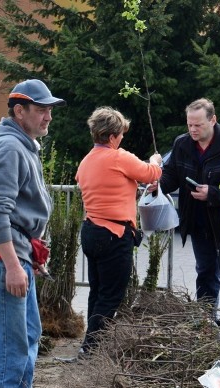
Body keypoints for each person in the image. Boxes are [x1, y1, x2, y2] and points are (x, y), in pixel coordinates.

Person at [0, 79, 65, 388]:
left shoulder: (24, 145)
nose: (48, 116)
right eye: (41, 109)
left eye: (50, 109)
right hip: (2, 261)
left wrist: (30, 254)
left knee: (28, 333)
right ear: (19, 111)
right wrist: (13, 264)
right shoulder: (10, 148)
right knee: (9, 341)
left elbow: (20, 214)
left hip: (16, 255)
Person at [157, 98, 220, 329]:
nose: (192, 129)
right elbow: (172, 175)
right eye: (189, 124)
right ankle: (205, 327)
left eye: (198, 125)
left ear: (213, 120)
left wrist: (213, 193)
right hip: (198, 223)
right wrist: (157, 185)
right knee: (205, 275)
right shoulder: (182, 144)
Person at [76, 107, 162, 353]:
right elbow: (151, 173)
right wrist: (155, 160)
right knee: (111, 295)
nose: (123, 138)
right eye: (121, 134)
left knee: (98, 290)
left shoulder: (86, 161)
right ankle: (92, 348)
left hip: (91, 231)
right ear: (112, 136)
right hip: (114, 234)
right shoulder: (118, 157)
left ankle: (90, 344)